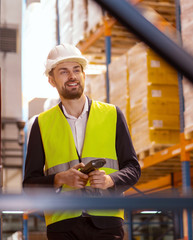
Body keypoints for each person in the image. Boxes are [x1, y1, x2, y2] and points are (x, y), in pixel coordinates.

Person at [23, 43, 141, 240]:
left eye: (76, 70)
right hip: (62, 226)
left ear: (83, 74)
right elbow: (29, 185)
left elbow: (133, 168)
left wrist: (110, 180)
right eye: (64, 71)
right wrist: (60, 179)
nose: (72, 76)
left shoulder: (112, 115)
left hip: (107, 223)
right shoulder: (41, 124)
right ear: (52, 80)